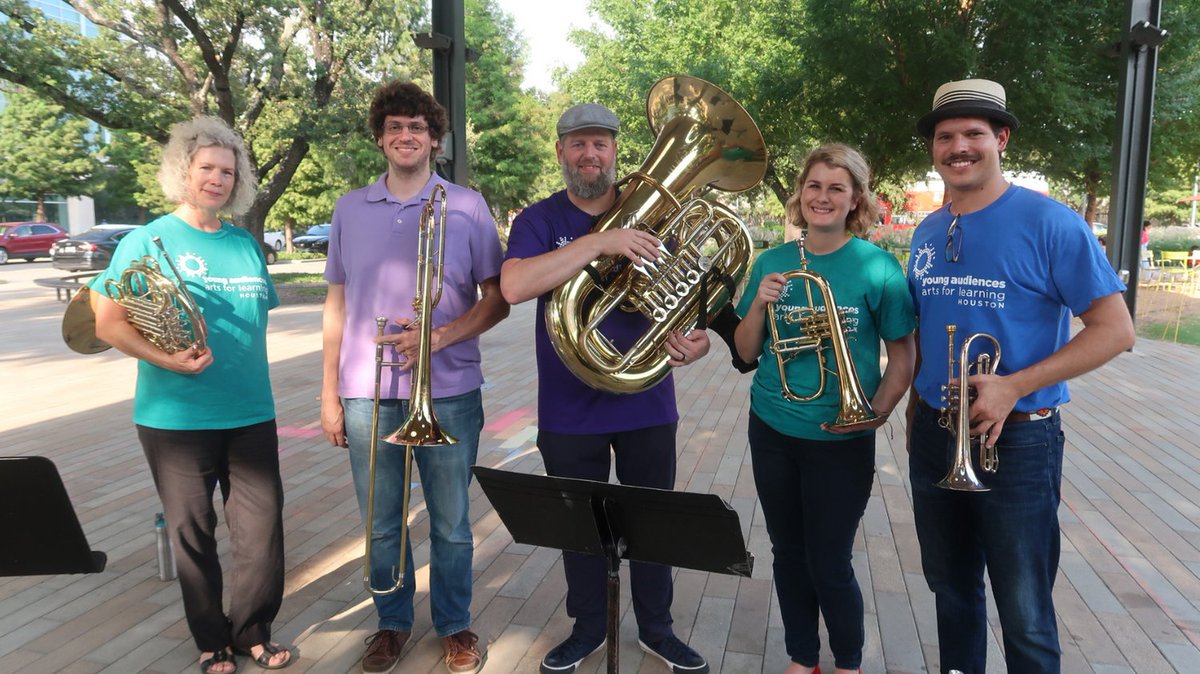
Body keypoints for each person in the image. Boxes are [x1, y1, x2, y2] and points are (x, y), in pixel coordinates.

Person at [905, 79, 1135, 673]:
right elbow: (927, 334)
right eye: (945, 136)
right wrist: (913, 417)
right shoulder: (929, 230)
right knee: (951, 592)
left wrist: (1014, 384)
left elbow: (1115, 330)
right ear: (933, 148)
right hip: (935, 436)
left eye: (973, 134)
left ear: (1000, 139)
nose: (959, 146)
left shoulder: (1051, 222)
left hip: (1020, 438)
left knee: (1025, 611)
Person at [500, 103, 715, 674]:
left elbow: (689, 297)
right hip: (569, 411)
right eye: (577, 144)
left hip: (647, 400)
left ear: (615, 150)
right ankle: (589, 627)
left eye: (600, 144)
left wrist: (698, 341)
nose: (589, 154)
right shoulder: (540, 219)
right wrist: (600, 243)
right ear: (561, 153)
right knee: (581, 530)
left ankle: (658, 629)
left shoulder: (658, 214)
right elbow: (516, 285)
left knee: (654, 525)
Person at [91, 116, 293, 673]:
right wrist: (167, 358)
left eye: (228, 171)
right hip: (174, 416)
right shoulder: (147, 239)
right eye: (206, 167)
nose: (217, 179)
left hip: (251, 410)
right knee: (193, 533)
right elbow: (107, 323)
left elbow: (253, 321)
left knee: (261, 530)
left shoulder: (245, 244)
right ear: (184, 170)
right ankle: (210, 638)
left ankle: (252, 628)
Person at [320, 81, 508, 674]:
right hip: (366, 391)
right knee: (380, 522)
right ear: (380, 137)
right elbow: (336, 304)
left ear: (435, 139)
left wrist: (438, 336)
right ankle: (391, 622)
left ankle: (455, 624)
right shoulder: (349, 207)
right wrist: (328, 393)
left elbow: (497, 299)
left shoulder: (469, 205)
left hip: (448, 390)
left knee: (451, 523)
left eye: (418, 127)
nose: (407, 135)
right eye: (396, 126)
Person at [733, 144, 916, 674]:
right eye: (814, 186)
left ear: (855, 198)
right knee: (787, 554)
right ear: (800, 193)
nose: (823, 197)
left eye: (837, 188)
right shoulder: (772, 263)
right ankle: (801, 657)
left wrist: (874, 415)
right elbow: (746, 351)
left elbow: (904, 355)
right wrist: (762, 304)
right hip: (772, 428)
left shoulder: (877, 267)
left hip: (842, 436)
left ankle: (848, 662)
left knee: (830, 560)